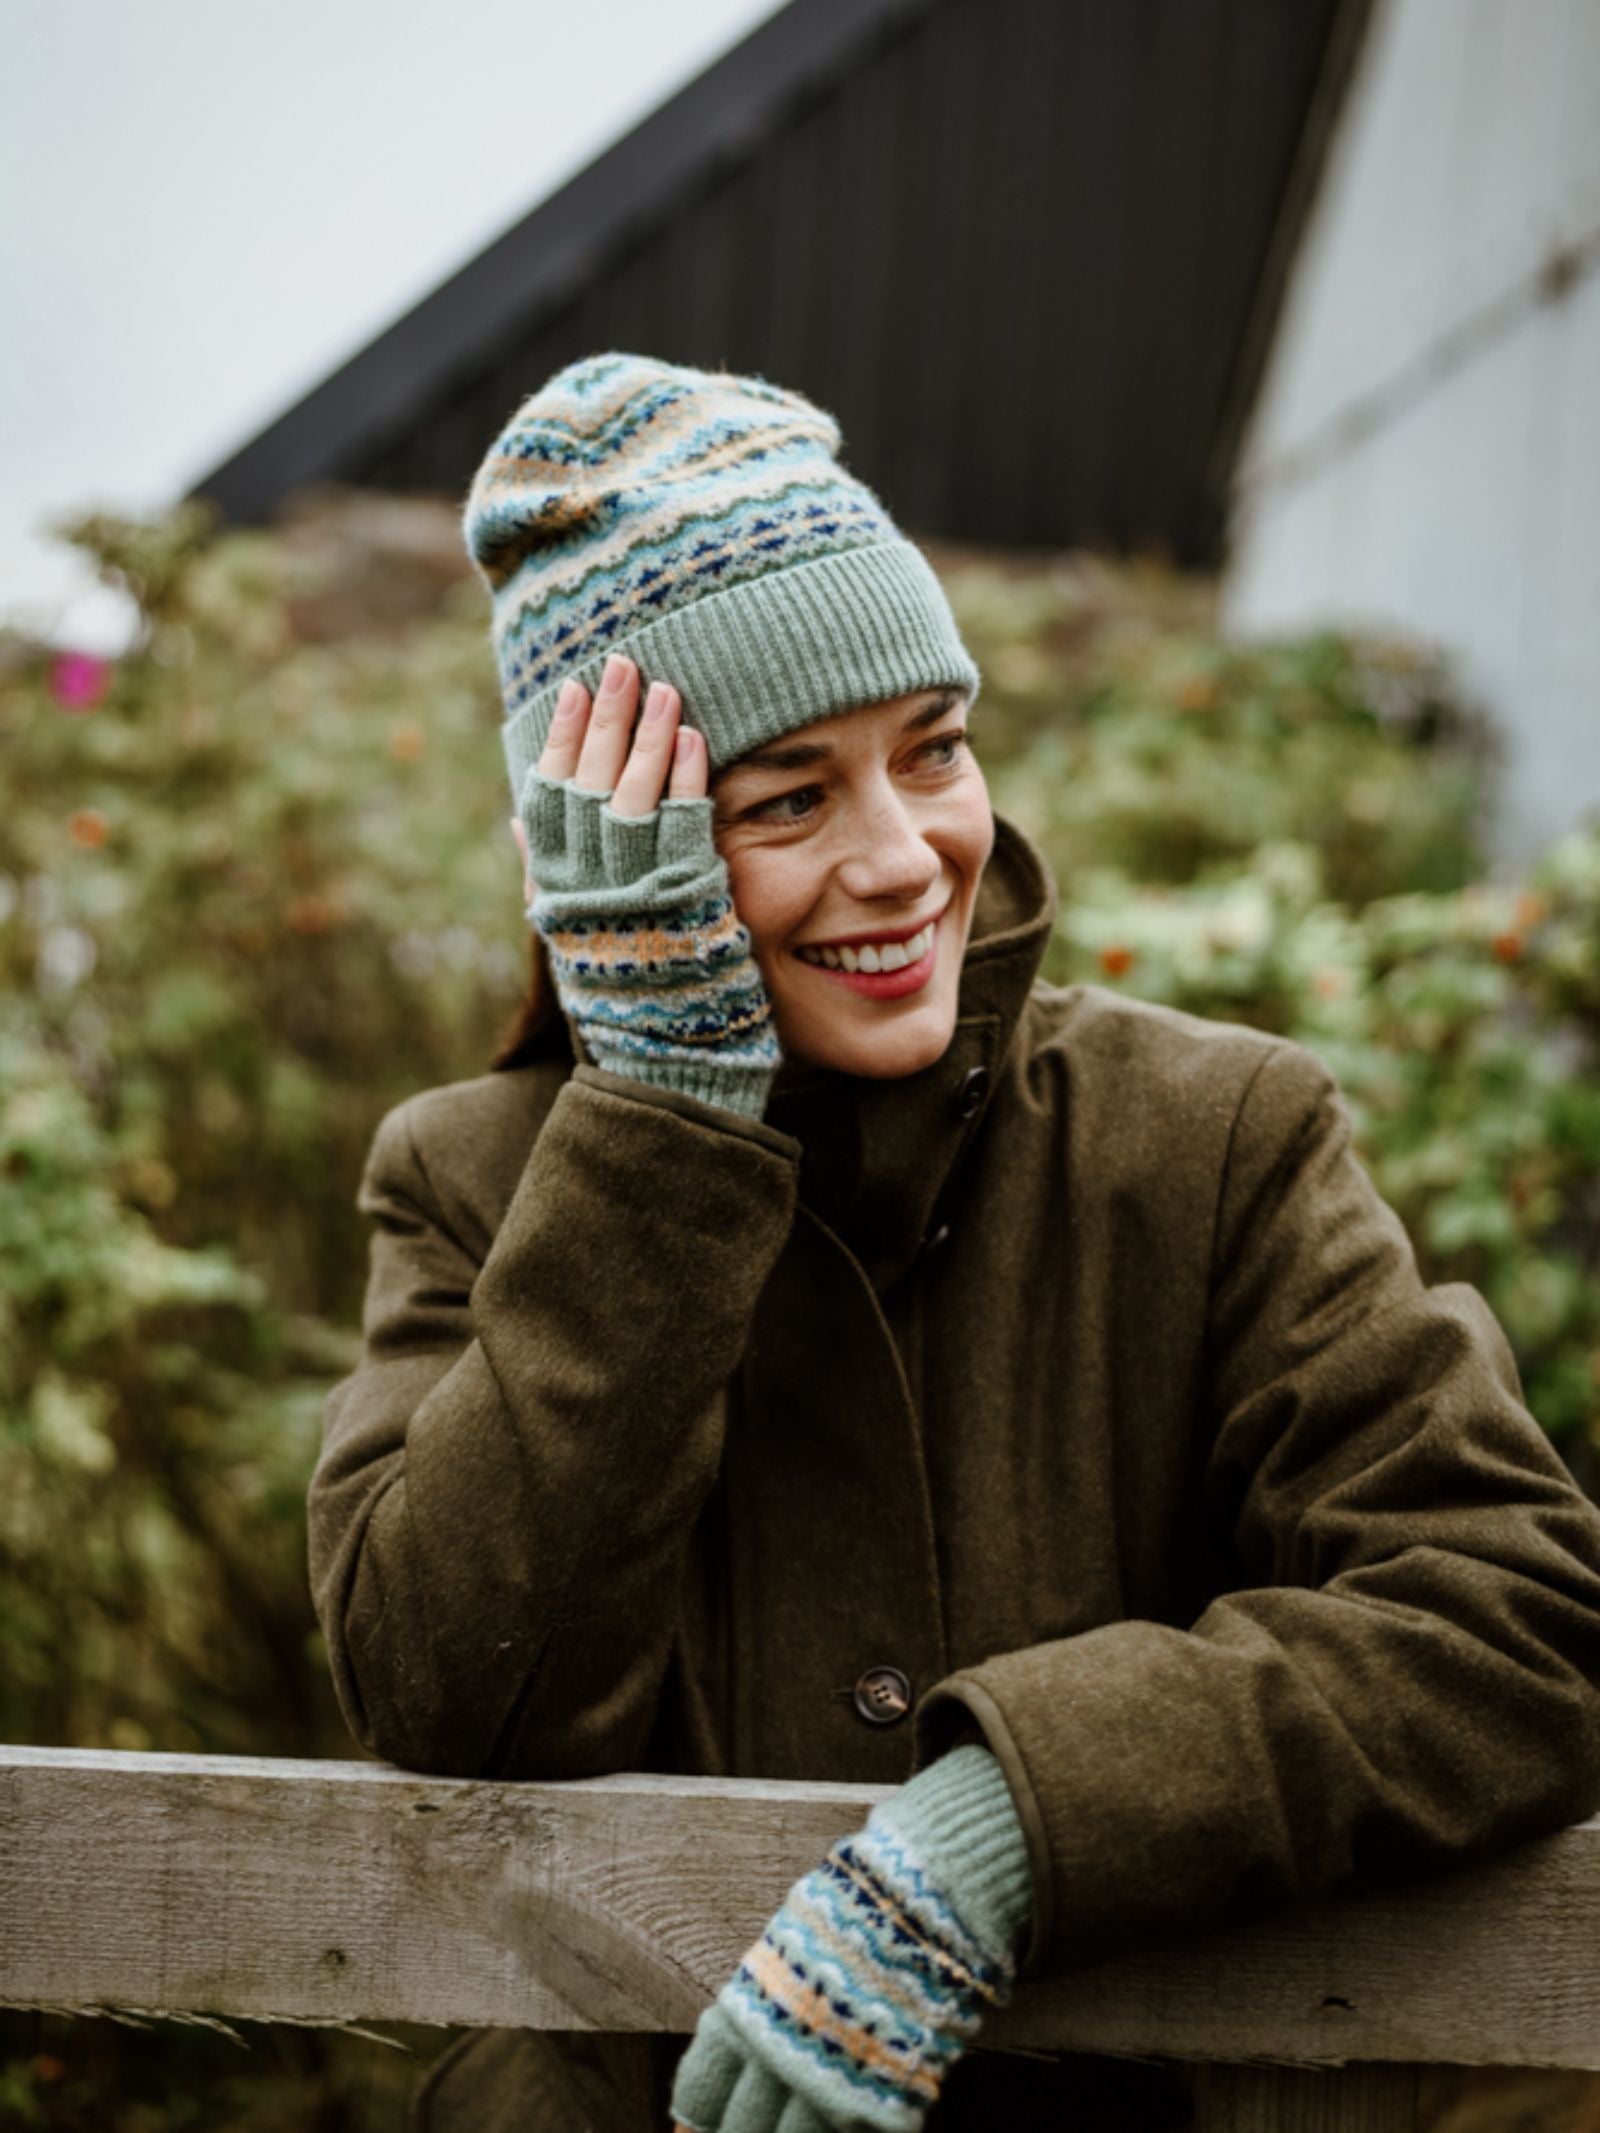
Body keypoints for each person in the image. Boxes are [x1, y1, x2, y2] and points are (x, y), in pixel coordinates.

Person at [308, 354, 1600, 2133]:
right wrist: (669, 1130)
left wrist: (1010, 1823)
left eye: (935, 750)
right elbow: (456, 1700)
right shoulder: (472, 1180)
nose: (908, 855)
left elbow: (1511, 1613)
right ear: (631, 859)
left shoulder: (1212, 1136)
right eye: (787, 799)